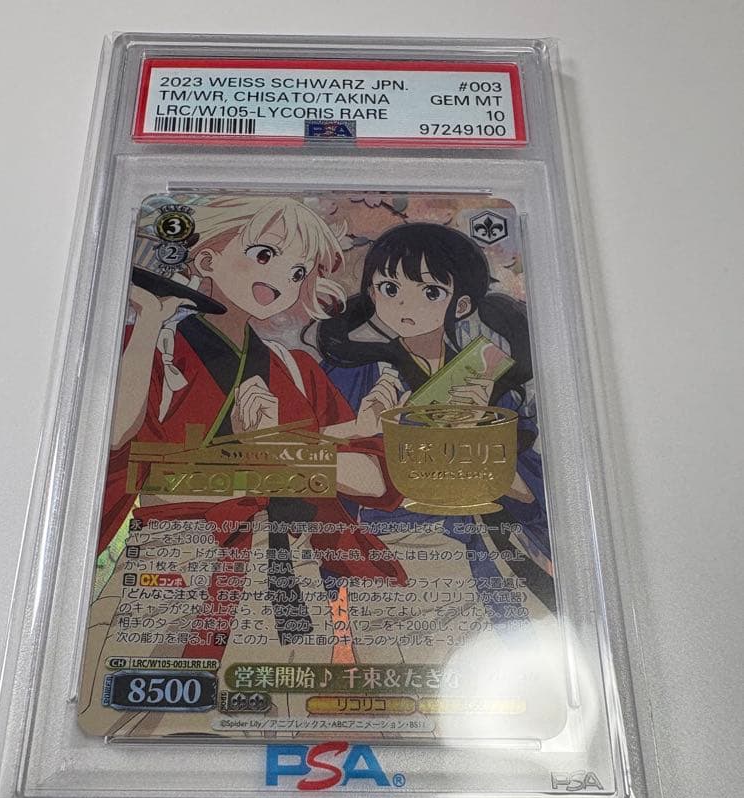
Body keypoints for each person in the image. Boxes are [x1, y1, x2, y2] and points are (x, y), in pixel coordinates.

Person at [81, 195, 405, 736]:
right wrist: (150, 321)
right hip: (175, 557)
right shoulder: (156, 349)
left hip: (284, 572)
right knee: (117, 720)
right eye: (264, 255)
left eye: (297, 272)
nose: (280, 279)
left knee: (263, 728)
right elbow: (112, 436)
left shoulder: (295, 369)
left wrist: (279, 451)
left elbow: (371, 478)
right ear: (207, 258)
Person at [314, 221, 555, 641]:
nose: (404, 303)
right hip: (391, 543)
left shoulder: (486, 381)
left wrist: (481, 433)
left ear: (460, 305)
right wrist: (364, 429)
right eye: (390, 288)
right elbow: (314, 462)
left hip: (483, 540)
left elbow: (530, 494)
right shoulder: (352, 373)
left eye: (429, 292)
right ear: (372, 293)